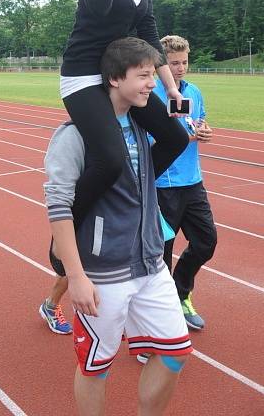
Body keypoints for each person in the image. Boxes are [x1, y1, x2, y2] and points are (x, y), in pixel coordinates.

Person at [44, 38, 191, 416]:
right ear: (113, 78)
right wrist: (75, 277)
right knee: (96, 367)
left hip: (151, 263)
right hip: (105, 271)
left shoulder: (144, 126)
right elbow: (58, 206)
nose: (151, 83)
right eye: (143, 76)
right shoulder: (75, 134)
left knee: (175, 352)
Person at [59, 0, 188, 231]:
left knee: (175, 138)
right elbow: (97, 6)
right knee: (110, 160)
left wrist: (171, 87)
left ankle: (128, 191)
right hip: (85, 75)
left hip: (120, 76)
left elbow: (148, 30)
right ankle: (67, 229)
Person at [153, 35, 216, 331]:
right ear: (161, 64)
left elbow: (199, 120)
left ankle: (181, 294)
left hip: (193, 182)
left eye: (184, 62)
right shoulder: (152, 94)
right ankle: (162, 314)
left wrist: (204, 130)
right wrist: (182, 137)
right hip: (163, 185)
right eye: (174, 63)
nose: (180, 68)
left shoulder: (195, 92)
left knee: (206, 242)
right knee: (162, 253)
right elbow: (148, 139)